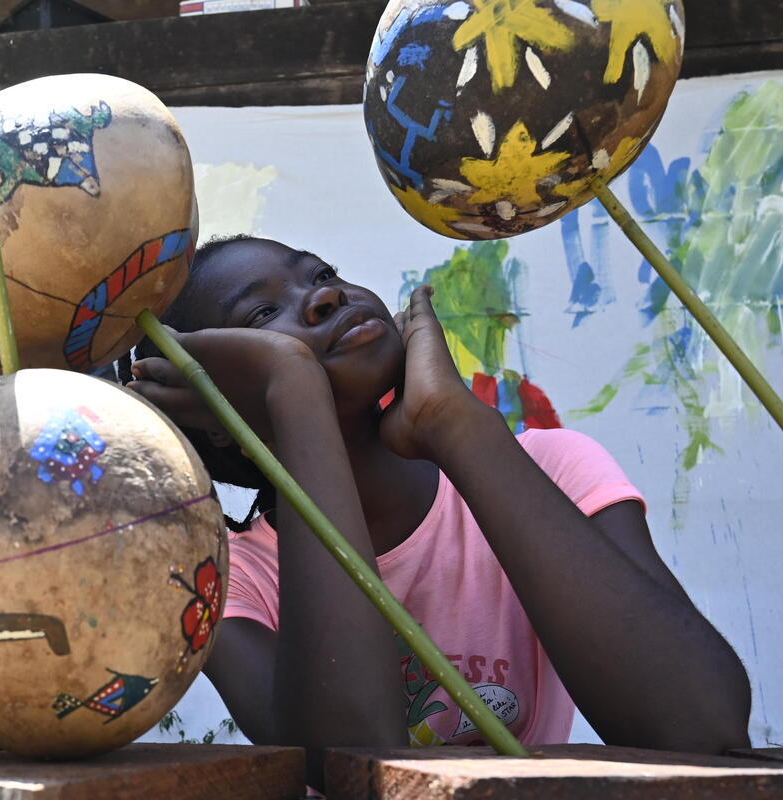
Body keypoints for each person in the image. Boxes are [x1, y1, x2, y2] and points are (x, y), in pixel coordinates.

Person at [121, 235, 750, 781]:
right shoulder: (221, 577)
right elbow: (348, 761)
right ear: (208, 411)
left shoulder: (551, 468)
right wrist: (294, 393)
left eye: (320, 275)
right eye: (262, 315)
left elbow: (696, 728)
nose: (323, 297)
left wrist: (454, 426)